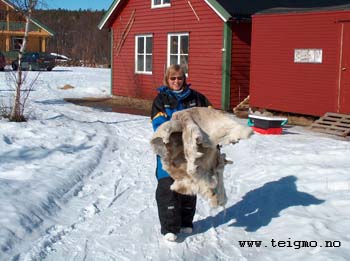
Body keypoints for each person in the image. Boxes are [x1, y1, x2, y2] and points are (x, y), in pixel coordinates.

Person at [150, 64, 212, 241]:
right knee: (167, 186)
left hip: (192, 152)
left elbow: (210, 119)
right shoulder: (161, 100)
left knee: (189, 186)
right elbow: (159, 126)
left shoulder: (198, 98)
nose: (176, 81)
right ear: (167, 80)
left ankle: (186, 222)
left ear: (184, 78)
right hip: (169, 150)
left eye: (180, 78)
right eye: (173, 78)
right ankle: (169, 227)